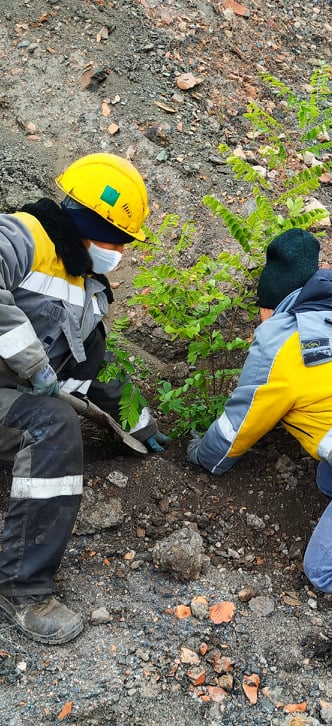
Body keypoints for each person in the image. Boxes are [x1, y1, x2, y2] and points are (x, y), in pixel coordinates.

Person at [187, 227, 332, 599]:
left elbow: (236, 429)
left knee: (326, 569)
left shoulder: (280, 341)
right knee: (329, 480)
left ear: (269, 307)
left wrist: (202, 457)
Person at [0, 152, 168, 644]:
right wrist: (33, 364)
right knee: (53, 424)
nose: (121, 253)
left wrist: (141, 426)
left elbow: (96, 370)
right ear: (90, 222)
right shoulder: (22, 235)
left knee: (51, 415)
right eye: (119, 239)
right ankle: (21, 586)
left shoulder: (88, 288)